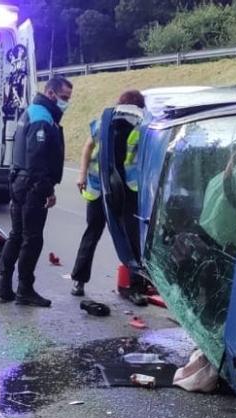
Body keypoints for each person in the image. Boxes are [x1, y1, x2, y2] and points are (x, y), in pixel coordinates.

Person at [0, 75, 73, 308]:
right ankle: (25, 289)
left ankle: (4, 285)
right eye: (63, 97)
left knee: (17, 235)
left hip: (19, 182)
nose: (66, 102)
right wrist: (48, 189)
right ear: (50, 93)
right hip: (33, 185)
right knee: (32, 239)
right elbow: (37, 158)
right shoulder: (42, 117)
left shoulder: (32, 111)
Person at [73, 90, 147, 297]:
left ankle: (135, 287)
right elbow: (88, 147)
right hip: (102, 187)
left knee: (130, 237)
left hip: (125, 189)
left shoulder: (140, 126)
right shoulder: (104, 124)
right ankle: (79, 280)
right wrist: (81, 175)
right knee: (97, 233)